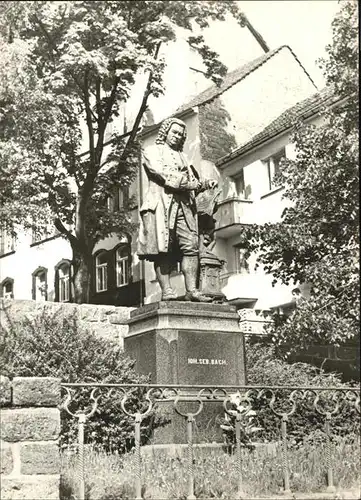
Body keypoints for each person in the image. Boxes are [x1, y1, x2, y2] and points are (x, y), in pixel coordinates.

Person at [137, 117, 218, 302]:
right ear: (165, 133)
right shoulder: (152, 151)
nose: (178, 136)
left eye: (181, 135)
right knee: (162, 248)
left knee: (191, 246)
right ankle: (167, 291)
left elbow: (193, 181)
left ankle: (192, 290)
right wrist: (188, 183)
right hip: (161, 205)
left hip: (185, 206)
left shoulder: (184, 157)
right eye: (174, 132)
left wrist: (204, 184)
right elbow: (161, 173)